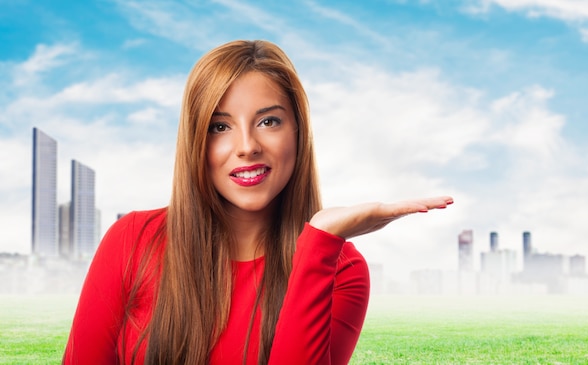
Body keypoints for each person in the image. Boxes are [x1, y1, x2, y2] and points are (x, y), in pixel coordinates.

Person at [62, 39, 453, 365]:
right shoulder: (133, 241)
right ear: (195, 141)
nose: (247, 146)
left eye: (269, 121)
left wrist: (319, 241)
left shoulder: (341, 269)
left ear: (298, 132)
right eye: (220, 126)